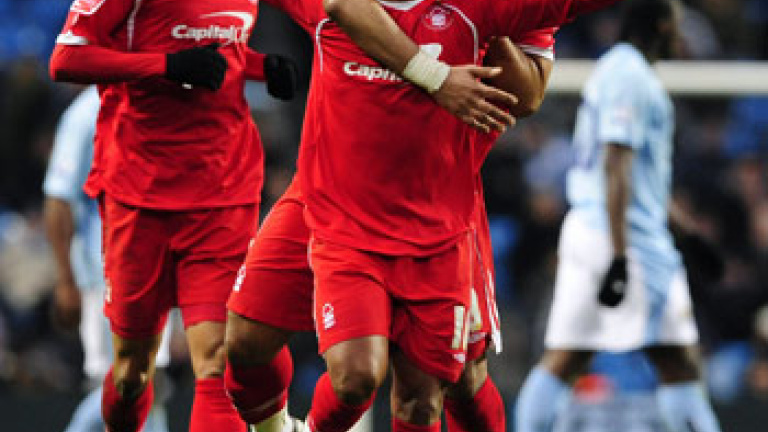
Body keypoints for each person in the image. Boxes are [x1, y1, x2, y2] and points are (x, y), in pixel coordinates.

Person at [223, 0, 620, 432]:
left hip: (435, 204)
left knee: (445, 385)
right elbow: (341, 5)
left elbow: (525, 98)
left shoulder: (500, 11)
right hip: (326, 192)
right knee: (246, 341)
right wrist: (435, 76)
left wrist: (484, 29)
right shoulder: (337, 16)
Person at [48, 1, 297, 431]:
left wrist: (261, 68)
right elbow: (66, 59)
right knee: (132, 372)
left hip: (221, 195)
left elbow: (218, 50)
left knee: (217, 358)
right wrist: (166, 65)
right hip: (138, 201)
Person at [514, 1, 723, 431]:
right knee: (680, 362)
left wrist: (687, 234)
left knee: (567, 360)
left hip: (594, 231)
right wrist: (621, 256)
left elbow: (638, 179)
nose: (679, 39)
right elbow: (615, 163)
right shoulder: (630, 76)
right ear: (661, 26)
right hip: (628, 241)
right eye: (676, 28)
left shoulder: (613, 69)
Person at [44, 85, 172, 432]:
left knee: (148, 382)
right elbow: (57, 199)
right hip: (103, 272)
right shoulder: (85, 113)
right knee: (126, 381)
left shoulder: (153, 99)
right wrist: (66, 281)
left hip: (151, 269)